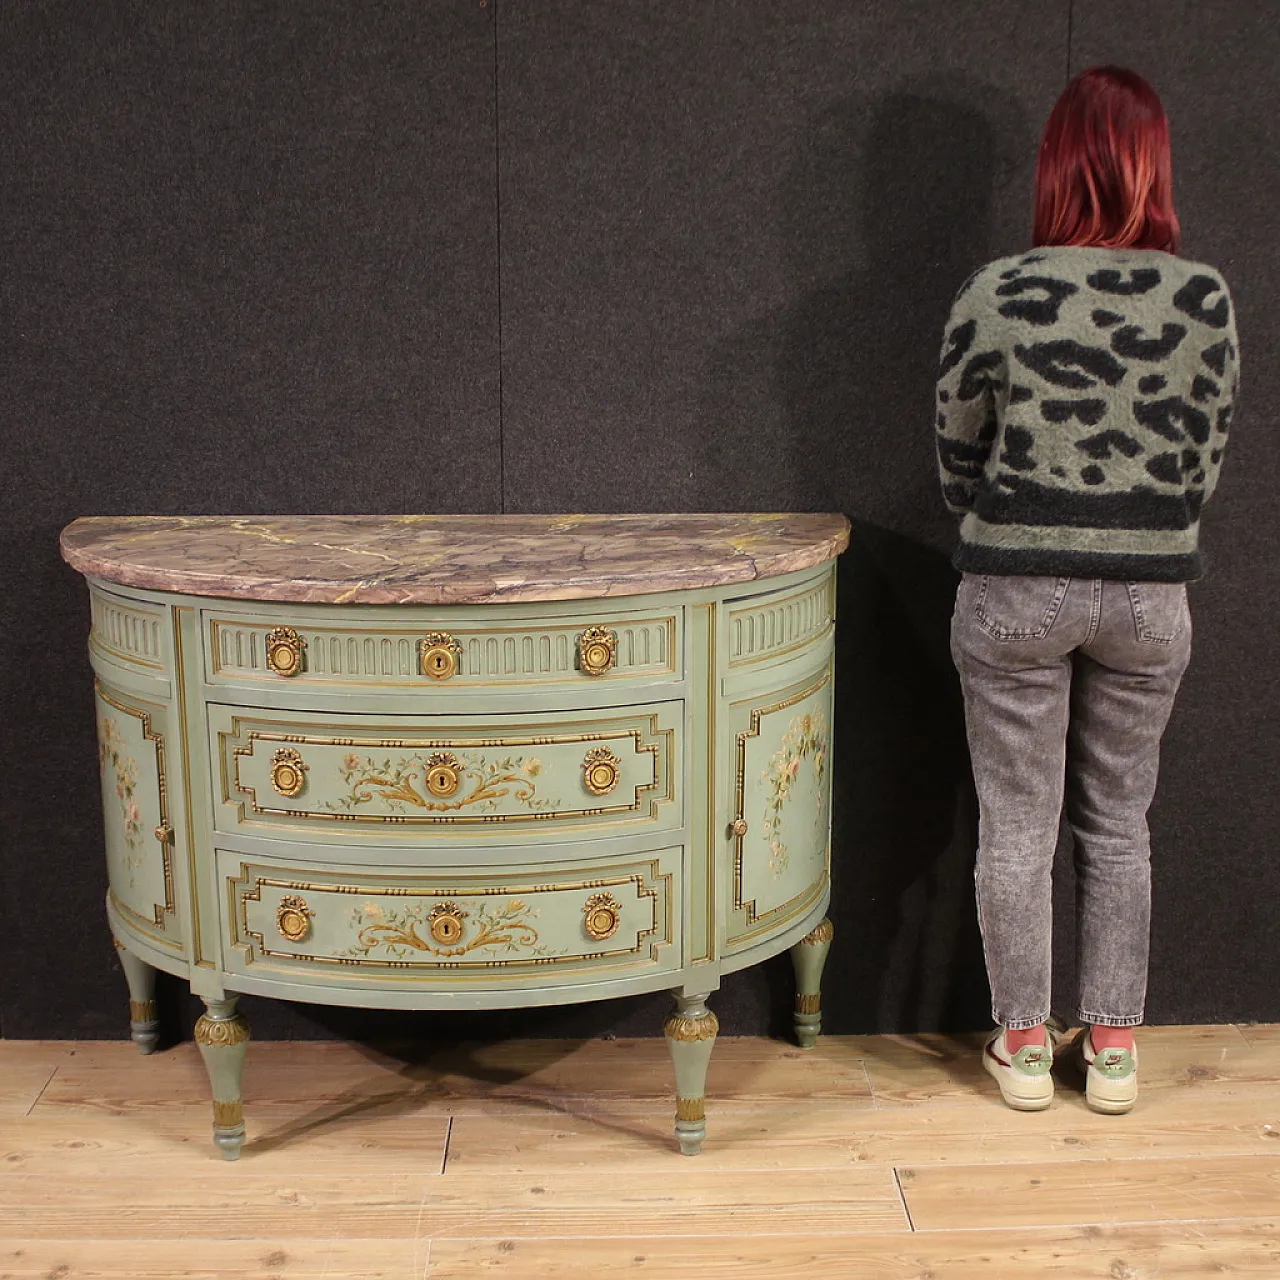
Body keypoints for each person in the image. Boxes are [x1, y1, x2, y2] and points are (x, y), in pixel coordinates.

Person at [935, 66, 1239, 1113]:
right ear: (1151, 165)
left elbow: (954, 456)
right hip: (1149, 598)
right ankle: (1109, 1052)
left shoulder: (994, 291)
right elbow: (1202, 456)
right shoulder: (1200, 298)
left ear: (1053, 166)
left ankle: (1021, 1045)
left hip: (1014, 587)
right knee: (1116, 824)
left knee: (1014, 827)